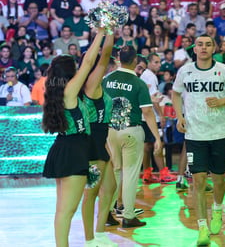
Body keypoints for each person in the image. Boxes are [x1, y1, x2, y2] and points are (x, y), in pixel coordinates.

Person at [172, 34, 225, 246]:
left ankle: (218, 210)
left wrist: (221, 101)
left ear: (214, 49)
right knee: (198, 181)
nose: (203, 48)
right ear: (194, 49)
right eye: (200, 44)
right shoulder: (185, 71)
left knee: (219, 180)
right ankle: (202, 227)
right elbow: (175, 94)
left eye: (208, 44)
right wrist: (179, 116)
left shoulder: (224, 70)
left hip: (219, 134)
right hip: (195, 135)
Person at [42, 28, 105, 247]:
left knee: (63, 210)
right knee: (67, 211)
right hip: (73, 150)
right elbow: (88, 62)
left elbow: (87, 65)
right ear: (70, 73)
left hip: (65, 147)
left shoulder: (59, 92)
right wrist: (101, 33)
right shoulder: (69, 91)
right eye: (75, 69)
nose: (80, 70)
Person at [103, 45, 161, 228]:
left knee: (114, 172)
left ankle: (106, 213)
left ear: (119, 58)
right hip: (131, 130)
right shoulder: (138, 83)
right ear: (135, 61)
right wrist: (157, 137)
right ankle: (128, 216)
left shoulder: (107, 79)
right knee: (130, 174)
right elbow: (148, 112)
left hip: (111, 130)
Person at [81, 33, 117, 247]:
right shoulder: (91, 84)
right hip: (91, 146)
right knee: (91, 193)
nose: (107, 66)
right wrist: (108, 31)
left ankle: (101, 233)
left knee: (111, 188)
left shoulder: (98, 84)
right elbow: (105, 56)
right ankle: (89, 239)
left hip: (100, 142)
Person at [140, 53, 176, 183]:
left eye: (159, 62)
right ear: (149, 63)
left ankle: (147, 173)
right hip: (150, 115)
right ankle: (163, 173)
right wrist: (161, 115)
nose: (159, 65)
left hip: (143, 116)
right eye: (155, 62)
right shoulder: (150, 76)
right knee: (157, 142)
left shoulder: (145, 75)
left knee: (147, 145)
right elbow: (153, 100)